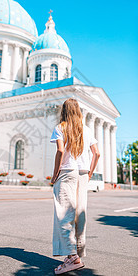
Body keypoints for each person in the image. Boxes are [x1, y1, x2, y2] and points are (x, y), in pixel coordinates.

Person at [50, 98, 100, 274]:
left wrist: (54, 174)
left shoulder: (60, 127)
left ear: (64, 110)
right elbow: (97, 153)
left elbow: (61, 151)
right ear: (78, 111)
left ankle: (72, 257)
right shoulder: (86, 130)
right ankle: (77, 252)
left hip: (67, 173)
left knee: (64, 214)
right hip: (83, 173)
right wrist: (91, 172)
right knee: (79, 213)